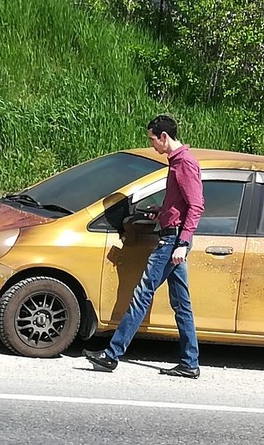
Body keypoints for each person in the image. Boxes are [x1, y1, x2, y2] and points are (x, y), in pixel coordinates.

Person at [83, 115, 205, 378]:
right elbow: (181, 205)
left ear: (164, 137)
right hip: (172, 235)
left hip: (172, 241)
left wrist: (182, 242)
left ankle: (111, 355)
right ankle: (190, 363)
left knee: (142, 294)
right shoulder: (177, 162)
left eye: (152, 139)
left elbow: (196, 206)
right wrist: (161, 211)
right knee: (181, 303)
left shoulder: (184, 164)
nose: (152, 145)